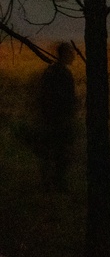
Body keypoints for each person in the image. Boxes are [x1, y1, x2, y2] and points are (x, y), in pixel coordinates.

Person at [32, 42, 78, 190]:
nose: (73, 56)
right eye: (70, 53)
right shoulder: (63, 74)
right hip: (59, 118)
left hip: (50, 118)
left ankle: (48, 182)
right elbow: (65, 98)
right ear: (64, 54)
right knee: (60, 152)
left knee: (51, 151)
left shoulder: (51, 71)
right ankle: (57, 182)